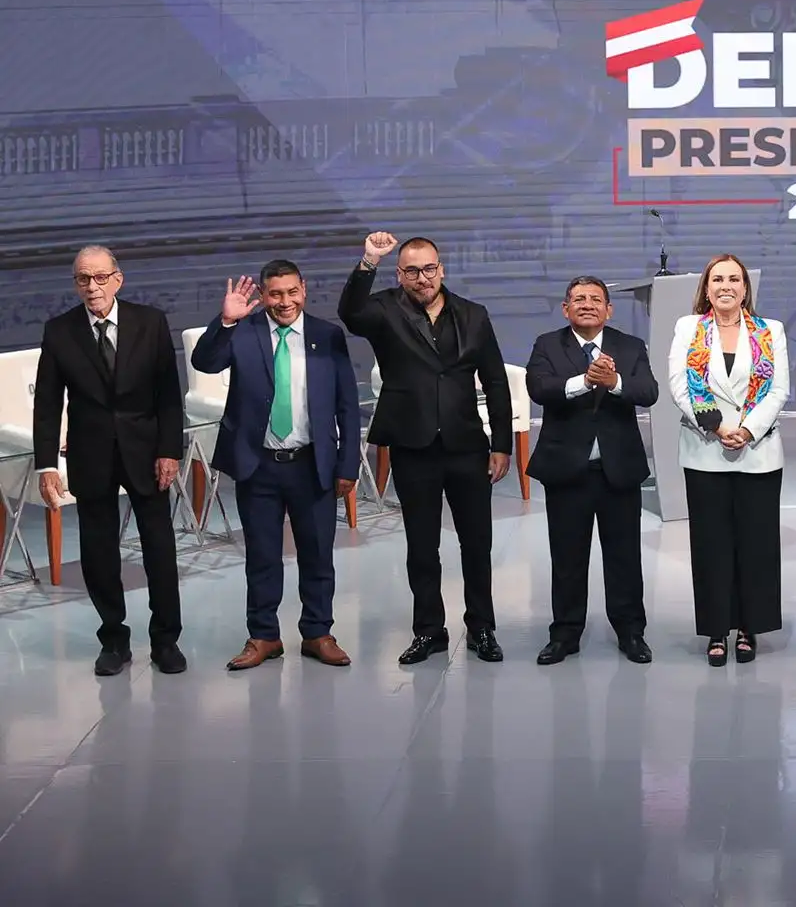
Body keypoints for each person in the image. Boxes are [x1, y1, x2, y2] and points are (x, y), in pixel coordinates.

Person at [338, 232, 512, 665]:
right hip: (412, 444)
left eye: (429, 269)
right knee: (421, 545)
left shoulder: (473, 315)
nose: (422, 278)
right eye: (412, 271)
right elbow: (350, 313)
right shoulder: (383, 309)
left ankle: (482, 627)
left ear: (442, 269)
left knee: (477, 543)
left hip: (467, 444)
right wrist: (368, 261)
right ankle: (429, 630)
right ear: (400, 274)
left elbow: (495, 381)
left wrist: (502, 444)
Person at [191, 262, 361, 670]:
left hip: (312, 464)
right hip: (259, 466)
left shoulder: (327, 335)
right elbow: (205, 362)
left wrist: (348, 464)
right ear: (263, 296)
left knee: (318, 555)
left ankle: (318, 632)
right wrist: (226, 321)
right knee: (262, 556)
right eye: (275, 294)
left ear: (304, 289)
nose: (284, 302)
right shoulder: (244, 331)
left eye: (291, 292)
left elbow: (347, 406)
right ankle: (264, 636)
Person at [33, 245, 186, 676]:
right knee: (99, 553)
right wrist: (47, 464)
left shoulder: (150, 322)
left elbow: (169, 396)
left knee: (159, 549)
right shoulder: (59, 331)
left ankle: (166, 641)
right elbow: (48, 404)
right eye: (84, 278)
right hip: (90, 455)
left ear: (118, 278)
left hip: (147, 454)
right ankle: (114, 641)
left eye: (100, 277)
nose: (92, 287)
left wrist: (169, 450)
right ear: (75, 283)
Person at [525, 276, 659, 666]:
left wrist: (614, 381)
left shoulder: (629, 346)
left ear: (608, 309)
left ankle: (631, 632)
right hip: (567, 470)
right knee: (567, 557)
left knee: (625, 557)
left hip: (618, 469)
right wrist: (584, 382)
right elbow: (540, 388)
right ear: (566, 308)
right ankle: (565, 634)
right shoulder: (548, 344)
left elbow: (647, 392)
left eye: (596, 299)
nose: (588, 304)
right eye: (579, 299)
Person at [665, 254, 790, 666]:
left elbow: (778, 390)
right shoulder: (689, 328)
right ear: (705, 287)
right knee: (711, 545)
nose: (725, 286)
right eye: (717, 278)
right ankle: (718, 629)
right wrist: (717, 427)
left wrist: (748, 430)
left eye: (734, 279)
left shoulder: (771, 330)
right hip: (705, 451)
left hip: (758, 452)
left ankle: (749, 628)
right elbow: (680, 384)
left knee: (756, 546)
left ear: (745, 288)